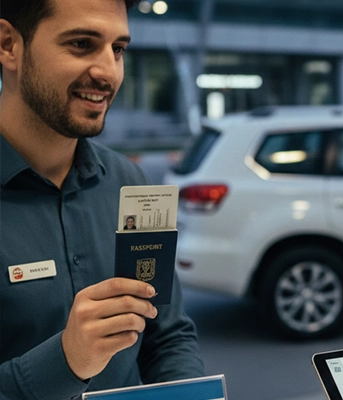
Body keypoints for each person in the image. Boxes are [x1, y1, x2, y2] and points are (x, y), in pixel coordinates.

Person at [0, 0, 205, 398]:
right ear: (8, 44)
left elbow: (168, 336)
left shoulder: (132, 185)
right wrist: (66, 360)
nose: (108, 71)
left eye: (118, 49)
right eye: (81, 44)